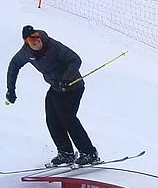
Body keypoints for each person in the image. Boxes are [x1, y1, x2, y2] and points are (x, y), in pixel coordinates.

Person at [6, 25, 99, 166]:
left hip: (73, 86)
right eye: (32, 40)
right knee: (52, 119)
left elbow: (75, 59)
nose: (36, 42)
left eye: (37, 37)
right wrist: (10, 90)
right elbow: (14, 65)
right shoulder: (25, 53)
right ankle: (65, 154)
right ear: (26, 42)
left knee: (67, 118)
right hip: (56, 88)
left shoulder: (53, 46)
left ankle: (89, 153)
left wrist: (66, 79)